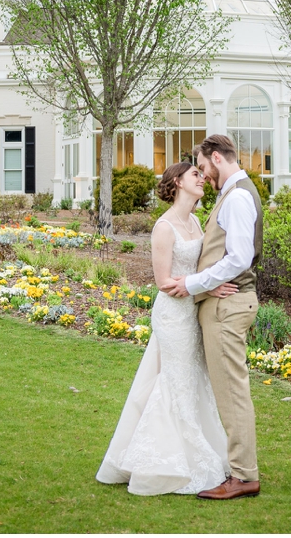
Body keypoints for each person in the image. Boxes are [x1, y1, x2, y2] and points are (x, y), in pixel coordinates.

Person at [96, 162, 237, 495]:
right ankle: (165, 461)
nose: (202, 179)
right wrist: (205, 287)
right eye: (195, 175)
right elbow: (163, 282)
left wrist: (209, 285)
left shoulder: (195, 222)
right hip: (173, 315)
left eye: (202, 175)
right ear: (178, 182)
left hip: (193, 312)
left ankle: (200, 450)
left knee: (193, 380)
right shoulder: (164, 227)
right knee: (175, 382)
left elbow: (201, 268)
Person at [162, 134, 262, 500]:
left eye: (203, 167)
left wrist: (193, 283)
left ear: (216, 158)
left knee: (232, 392)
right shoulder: (233, 194)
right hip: (224, 303)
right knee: (229, 391)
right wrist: (205, 286)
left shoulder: (236, 197)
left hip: (228, 308)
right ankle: (239, 469)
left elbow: (238, 258)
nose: (204, 175)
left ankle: (243, 476)